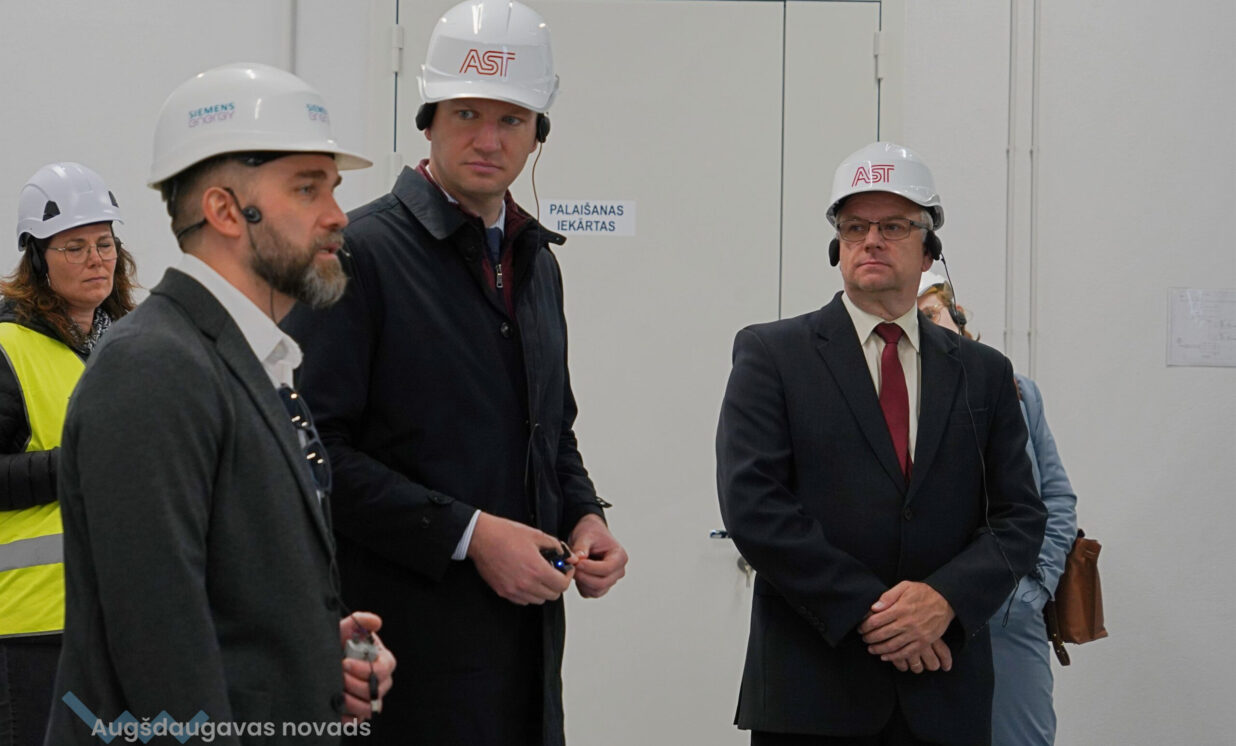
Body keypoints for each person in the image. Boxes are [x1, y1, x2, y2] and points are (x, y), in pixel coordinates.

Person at [283, 2, 627, 744]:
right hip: (398, 661)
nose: (488, 139)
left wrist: (583, 515)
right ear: (428, 121)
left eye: (512, 119)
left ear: (539, 134)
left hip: (523, 662)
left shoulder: (537, 264)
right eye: (467, 113)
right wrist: (468, 534)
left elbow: (552, 430)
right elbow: (306, 452)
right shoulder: (356, 256)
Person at [44, 63, 395, 744]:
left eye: (332, 188)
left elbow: (229, 596)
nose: (337, 216)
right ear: (225, 210)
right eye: (307, 188)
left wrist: (315, 649)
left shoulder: (251, 361)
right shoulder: (154, 369)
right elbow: (161, 655)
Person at [716, 141, 1046, 746]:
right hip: (813, 691)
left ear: (929, 251)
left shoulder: (983, 372)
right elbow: (754, 508)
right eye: (854, 227)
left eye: (893, 226)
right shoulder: (772, 355)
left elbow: (1020, 516)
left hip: (945, 690)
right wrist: (879, 615)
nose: (871, 240)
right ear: (837, 247)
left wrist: (944, 601)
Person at [0, 162, 137, 746]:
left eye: (104, 243)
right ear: (37, 259)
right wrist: (81, 463)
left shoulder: (133, 343)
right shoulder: (7, 346)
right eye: (74, 247)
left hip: (123, 619)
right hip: (32, 627)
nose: (96, 259)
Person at [918, 272, 1078, 746]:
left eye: (931, 313)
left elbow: (1056, 498)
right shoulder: (897, 398)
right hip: (929, 620)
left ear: (957, 314)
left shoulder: (1018, 391)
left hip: (1010, 616)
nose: (926, 325)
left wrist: (1036, 587)